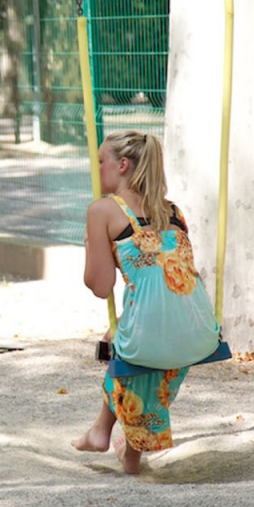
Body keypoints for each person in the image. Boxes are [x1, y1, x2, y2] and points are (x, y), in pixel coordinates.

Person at [72, 130, 214, 474]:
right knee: (129, 342)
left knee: (130, 349)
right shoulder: (173, 211)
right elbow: (166, 282)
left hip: (150, 340)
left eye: (101, 161)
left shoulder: (103, 210)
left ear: (122, 165)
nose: (97, 169)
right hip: (200, 333)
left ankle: (104, 435)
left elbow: (99, 286)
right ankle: (118, 444)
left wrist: (93, 243)